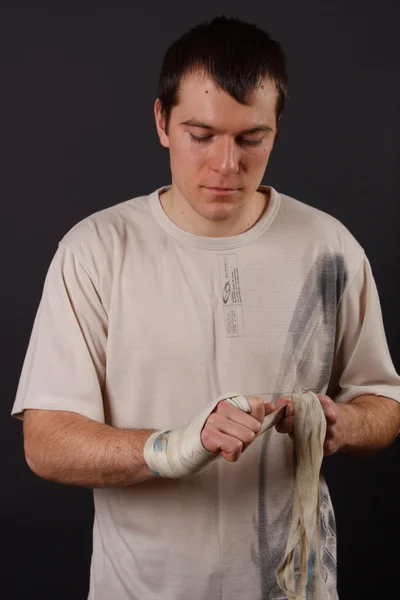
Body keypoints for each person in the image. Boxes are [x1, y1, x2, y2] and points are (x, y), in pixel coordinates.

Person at [12, 15, 400, 600]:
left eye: (251, 138)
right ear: (162, 122)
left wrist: (342, 425)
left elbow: (384, 400)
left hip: (296, 588)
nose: (226, 164)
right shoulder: (95, 250)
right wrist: (175, 446)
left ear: (276, 130)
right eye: (202, 134)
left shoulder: (330, 246)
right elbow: (46, 442)